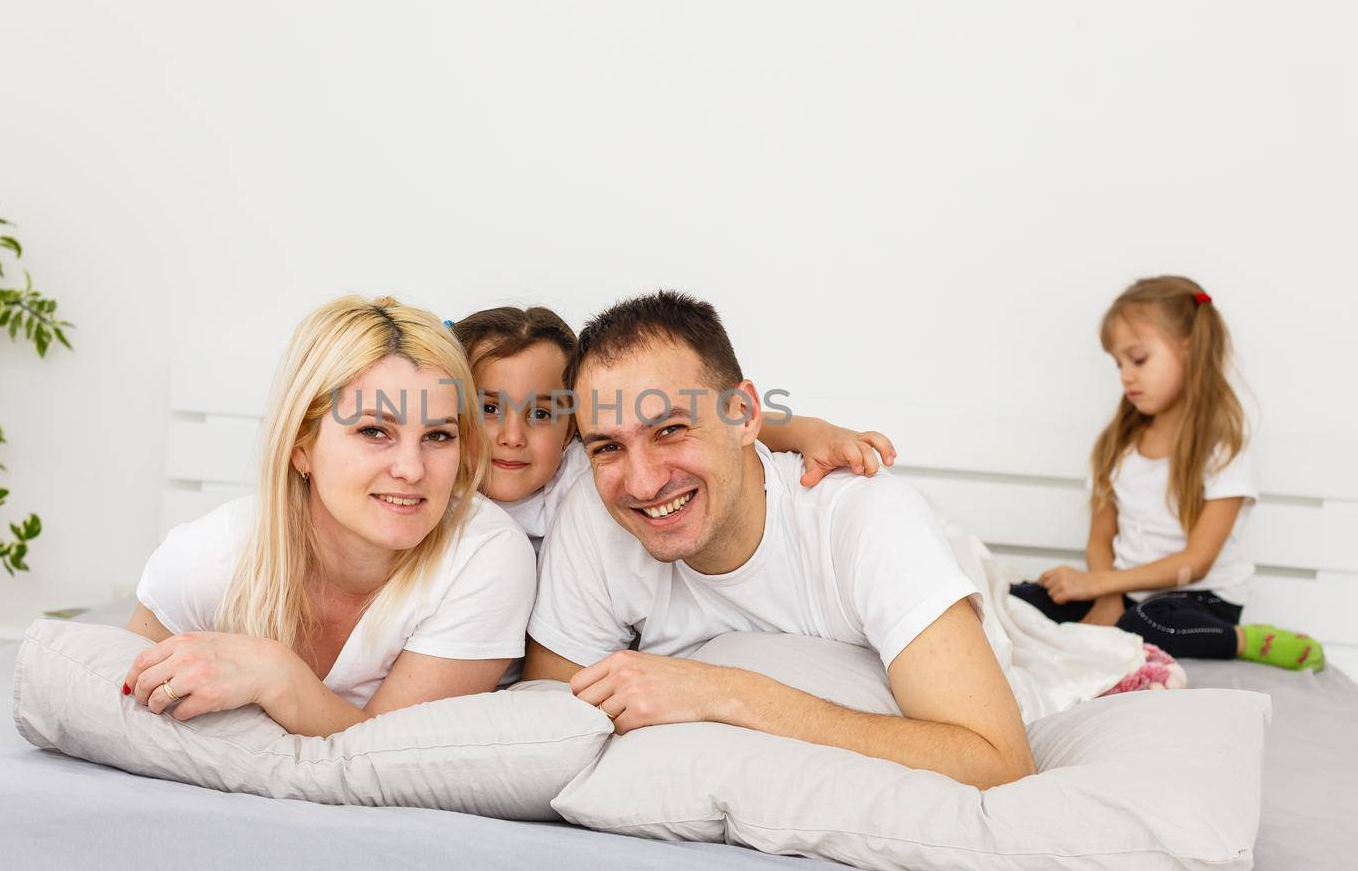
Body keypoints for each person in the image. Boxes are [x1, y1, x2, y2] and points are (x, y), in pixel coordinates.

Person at [522, 290, 1035, 790]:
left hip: (959, 570)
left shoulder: (866, 519)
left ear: (743, 416)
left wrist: (726, 692)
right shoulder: (595, 509)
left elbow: (998, 762)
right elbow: (546, 720)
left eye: (671, 430)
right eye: (608, 446)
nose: (642, 483)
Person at [121, 295, 538, 734]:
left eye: (438, 436)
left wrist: (276, 674)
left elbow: (393, 757)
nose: (412, 470)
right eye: (374, 431)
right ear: (302, 444)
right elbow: (111, 699)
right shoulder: (208, 557)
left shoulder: (485, 555)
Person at [1010, 276, 1325, 671]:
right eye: (1118, 363)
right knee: (1020, 598)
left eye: (1138, 359)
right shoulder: (1118, 445)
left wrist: (1099, 585)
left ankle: (1246, 639)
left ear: (1190, 350)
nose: (1126, 375)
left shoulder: (1222, 447)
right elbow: (1100, 539)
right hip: (1123, 589)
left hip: (1201, 597)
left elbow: (1196, 562)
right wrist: (1104, 595)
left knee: (1147, 623)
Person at [447, 305, 897, 553]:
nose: (511, 436)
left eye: (541, 414)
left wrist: (806, 431)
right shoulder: (432, 488)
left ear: (573, 432)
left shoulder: (588, 478)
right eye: (488, 408)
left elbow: (711, 420)